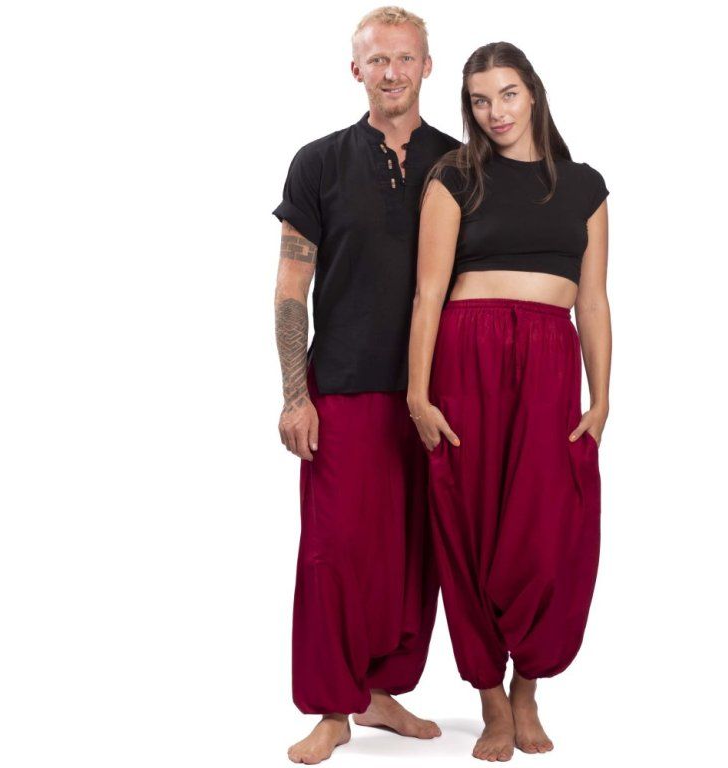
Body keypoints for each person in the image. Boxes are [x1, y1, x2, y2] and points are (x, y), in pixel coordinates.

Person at [406, 41, 612, 761]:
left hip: (550, 361)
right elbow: (428, 292)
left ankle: (528, 689)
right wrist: (418, 393)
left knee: (548, 533)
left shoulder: (584, 186)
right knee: (469, 525)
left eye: (508, 94)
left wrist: (602, 398)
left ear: (534, 94)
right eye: (480, 100)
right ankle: (492, 703)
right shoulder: (455, 176)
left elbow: (593, 299)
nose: (495, 112)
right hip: (468, 354)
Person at [271, 7, 461, 764]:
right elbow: (291, 288)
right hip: (345, 384)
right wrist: (295, 395)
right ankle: (331, 706)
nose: (392, 71)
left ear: (427, 66)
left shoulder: (460, 164)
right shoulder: (317, 162)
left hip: (436, 388)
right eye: (377, 59)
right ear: (357, 70)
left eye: (405, 58)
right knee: (335, 551)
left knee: (414, 552)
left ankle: (378, 691)